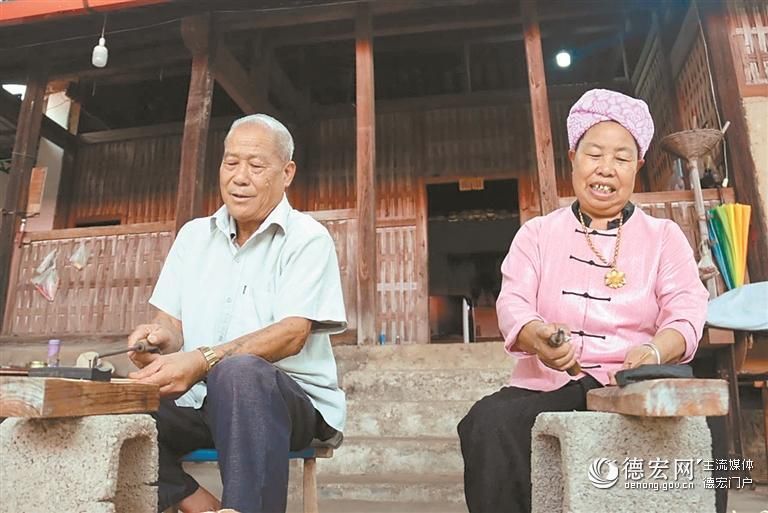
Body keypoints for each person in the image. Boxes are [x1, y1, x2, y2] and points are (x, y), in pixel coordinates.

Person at [457, 89, 720, 513]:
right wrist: (539, 336)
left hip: (631, 383)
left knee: (708, 434)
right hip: (546, 385)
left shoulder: (664, 237)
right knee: (488, 423)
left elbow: (687, 312)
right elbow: (513, 304)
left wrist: (654, 351)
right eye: (594, 154)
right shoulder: (537, 234)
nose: (605, 168)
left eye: (621, 157)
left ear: (637, 166)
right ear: (573, 158)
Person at [127, 114, 347, 513]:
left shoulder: (307, 238)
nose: (239, 178)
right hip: (202, 401)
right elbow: (169, 323)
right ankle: (198, 503)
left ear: (286, 173)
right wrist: (157, 340)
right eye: (231, 163)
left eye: (256, 165)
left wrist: (202, 360)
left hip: (288, 401)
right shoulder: (193, 236)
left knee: (239, 372)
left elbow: (292, 334)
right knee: (114, 408)